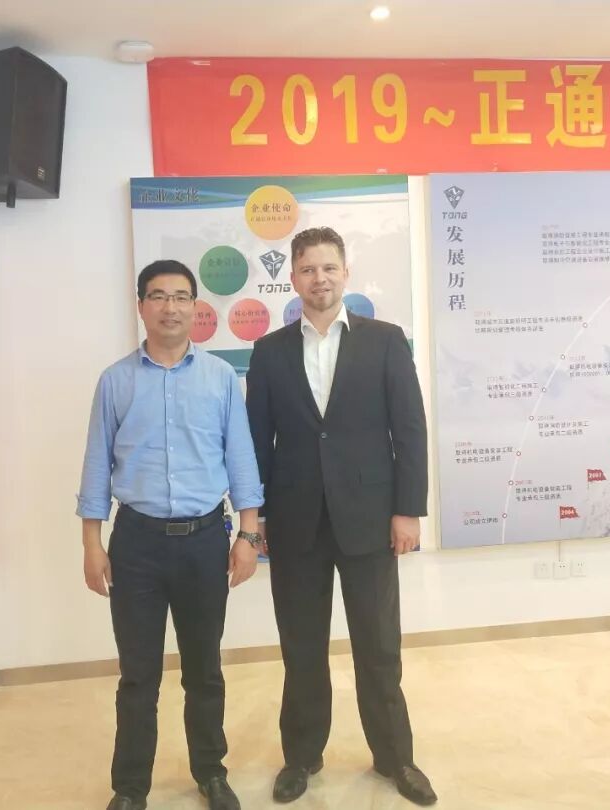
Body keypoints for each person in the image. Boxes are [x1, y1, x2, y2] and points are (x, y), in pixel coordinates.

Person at [245, 227, 436, 806]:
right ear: (293, 278)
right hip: (294, 521)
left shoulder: (385, 341)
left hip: (370, 520)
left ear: (346, 273)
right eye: (308, 269)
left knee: (378, 646)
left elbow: (409, 430)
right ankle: (301, 757)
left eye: (329, 268)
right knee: (301, 648)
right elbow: (256, 442)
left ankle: (395, 758)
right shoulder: (270, 351)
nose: (319, 279)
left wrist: (408, 510)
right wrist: (257, 518)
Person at [78, 259, 265, 810]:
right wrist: (92, 544)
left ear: (195, 307)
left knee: (204, 670)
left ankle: (211, 772)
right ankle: (130, 787)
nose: (170, 307)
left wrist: (248, 536)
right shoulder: (115, 381)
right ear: (141, 306)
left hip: (205, 542)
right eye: (158, 296)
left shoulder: (220, 378)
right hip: (135, 545)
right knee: (138, 676)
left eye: (181, 297)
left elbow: (241, 460)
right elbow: (96, 466)